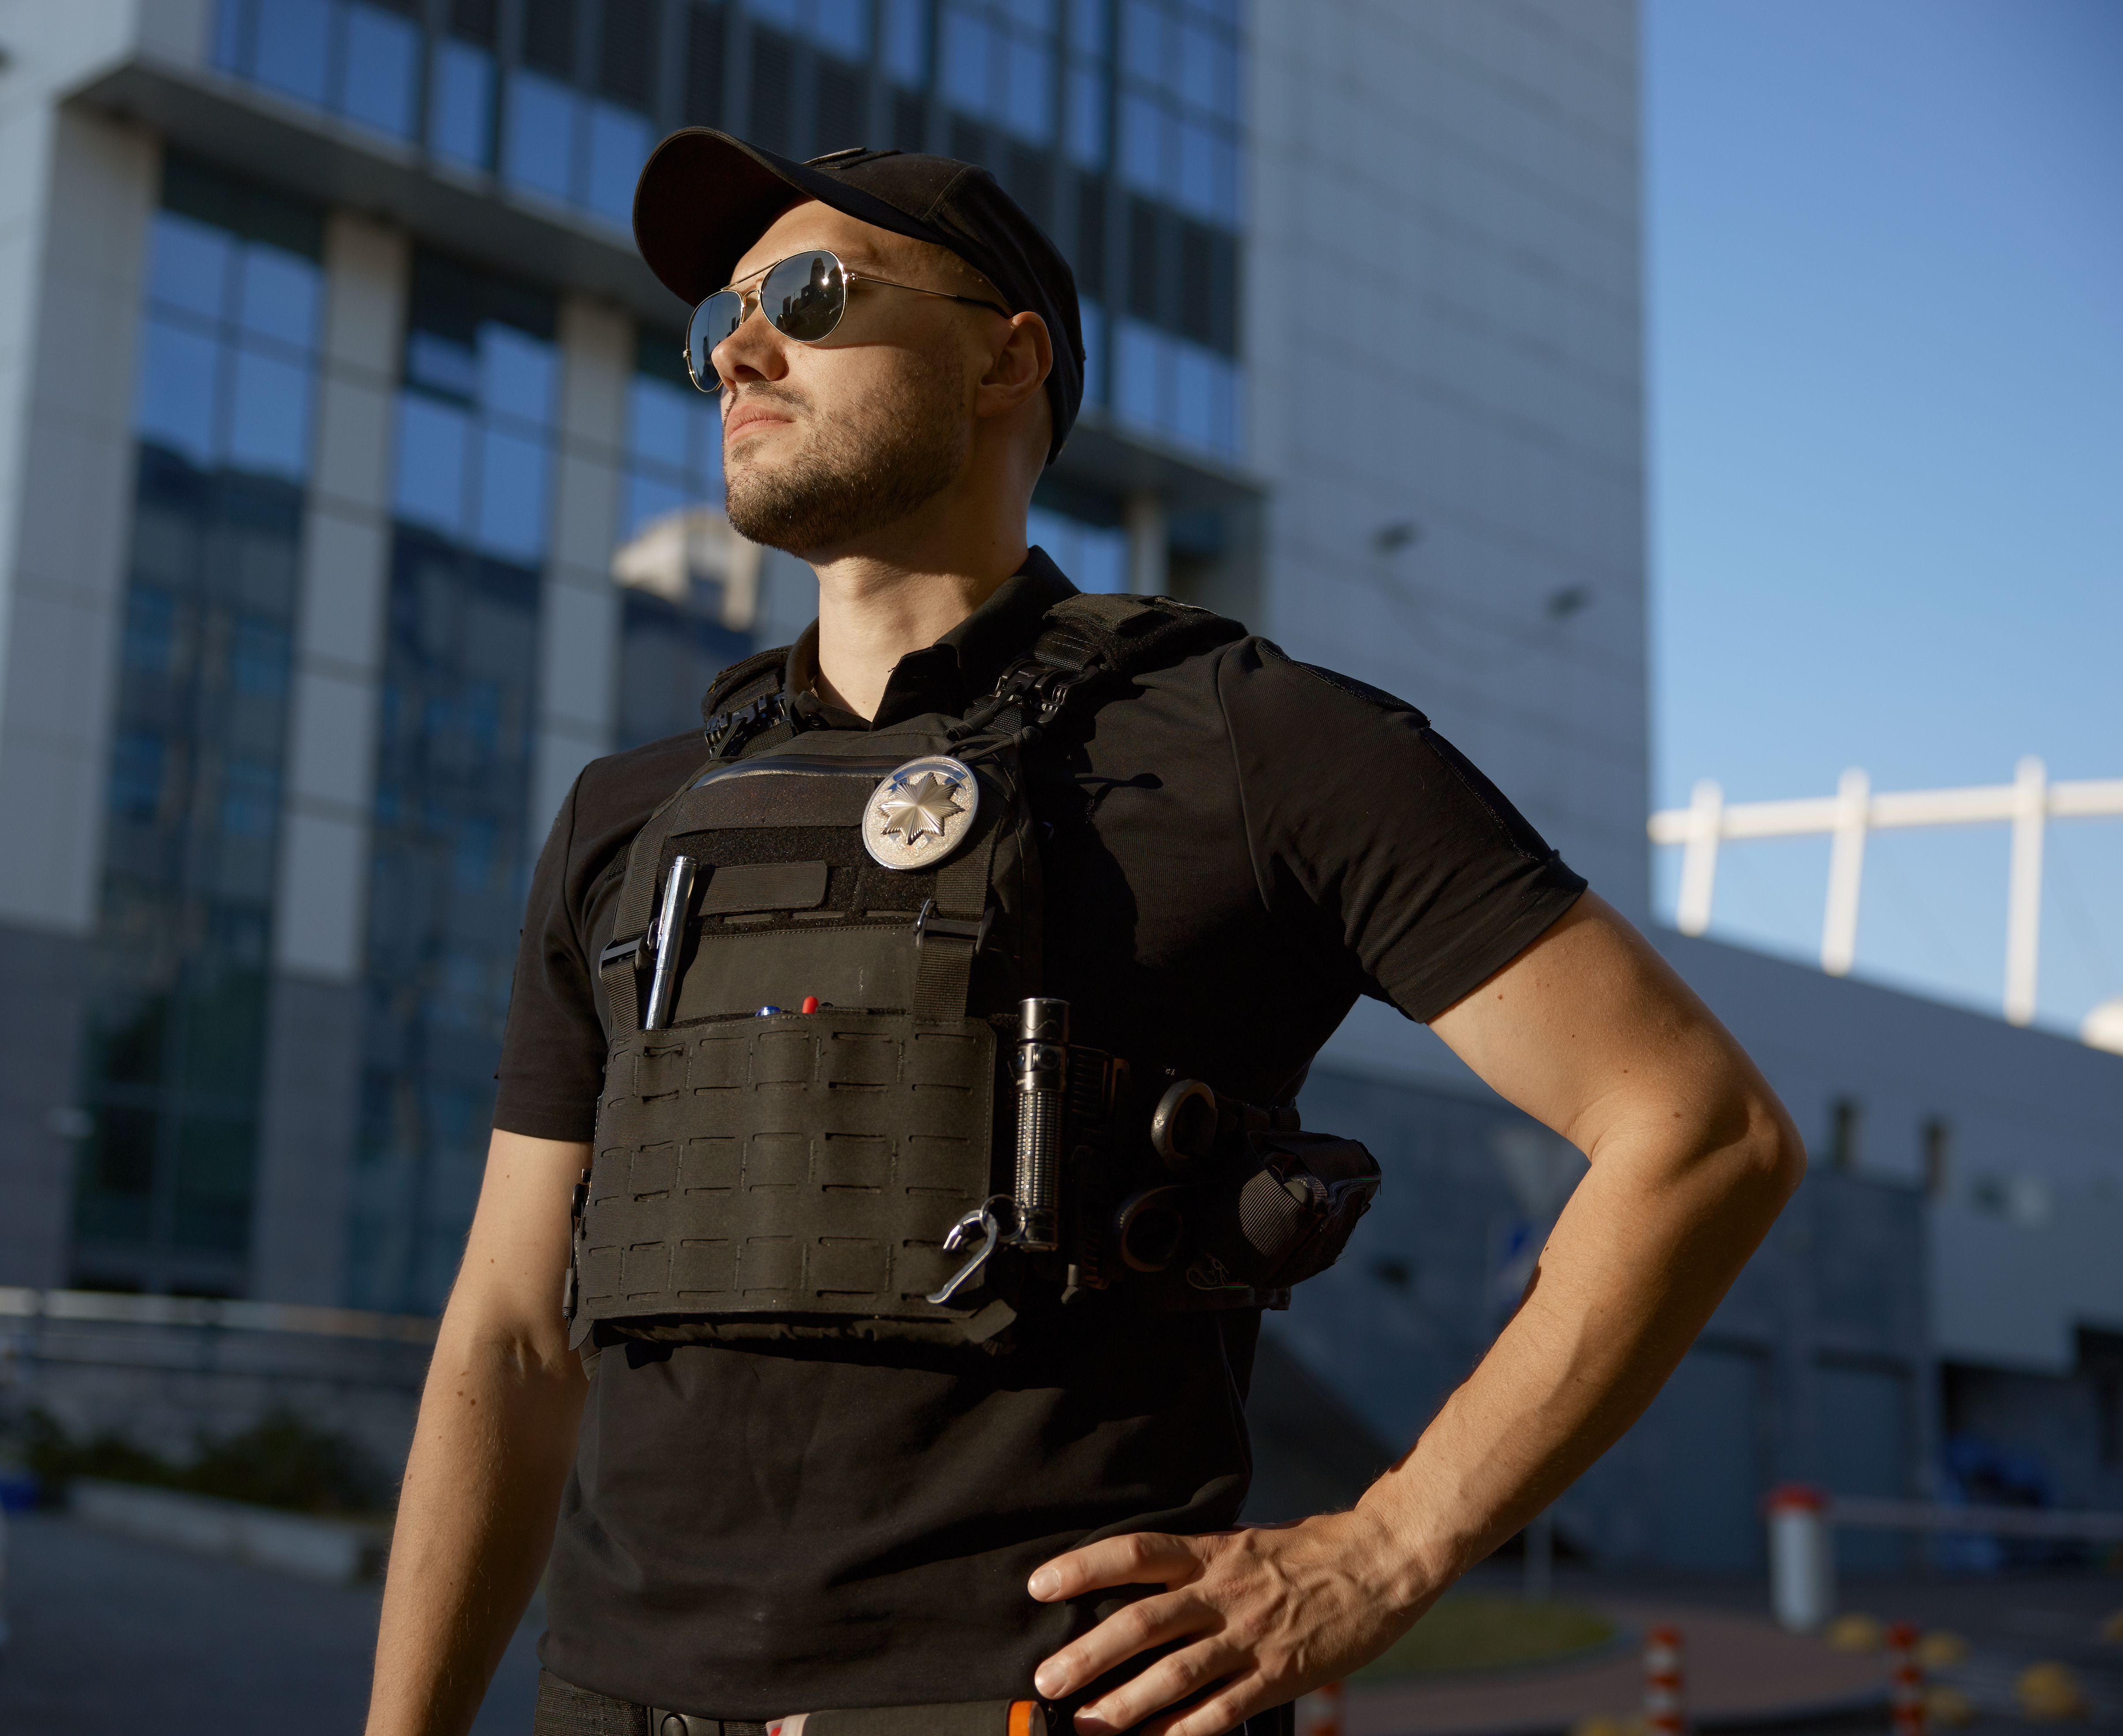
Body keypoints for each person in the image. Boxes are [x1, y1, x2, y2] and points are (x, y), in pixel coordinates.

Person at [366, 132, 1802, 1736]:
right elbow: (507, 1335)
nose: (739, 350)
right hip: (613, 1702)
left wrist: (1384, 1551)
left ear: (1009, 356)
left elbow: (1702, 1130)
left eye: (810, 294)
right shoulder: (625, 817)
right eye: (716, 323)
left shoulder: (1255, 742)